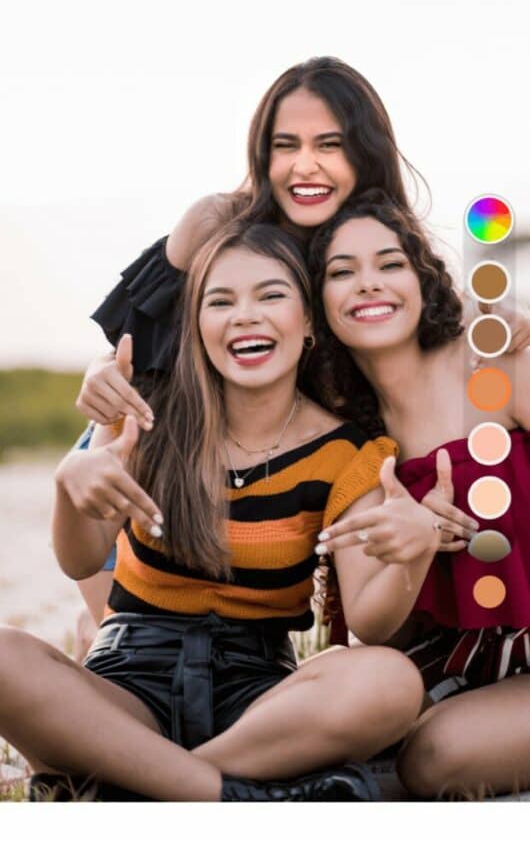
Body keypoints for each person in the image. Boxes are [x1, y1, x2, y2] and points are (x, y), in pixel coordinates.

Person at [0, 222, 449, 803]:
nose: (245, 315)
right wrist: (72, 484)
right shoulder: (146, 418)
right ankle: (226, 795)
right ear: (197, 326)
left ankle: (137, 782)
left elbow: (371, 623)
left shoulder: (348, 454)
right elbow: (79, 557)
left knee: (389, 682)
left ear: (309, 321)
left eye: (271, 295)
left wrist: (412, 555)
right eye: (221, 301)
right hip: (130, 680)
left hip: (259, 699)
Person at [75, 56, 530, 628]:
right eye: (285, 145)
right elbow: (139, 343)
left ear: (365, 154)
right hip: (165, 431)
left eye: (329, 145)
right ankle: (104, 636)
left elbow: (429, 311)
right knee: (102, 483)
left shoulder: (377, 243)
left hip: (302, 438)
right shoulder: (220, 223)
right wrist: (99, 370)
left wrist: (499, 314)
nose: (304, 165)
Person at [307, 189, 530, 799]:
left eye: (390, 263)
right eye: (341, 272)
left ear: (423, 278)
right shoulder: (343, 437)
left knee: (434, 758)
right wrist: (418, 547)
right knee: (329, 704)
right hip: (455, 664)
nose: (368, 284)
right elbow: (379, 630)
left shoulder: (493, 365)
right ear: (315, 302)